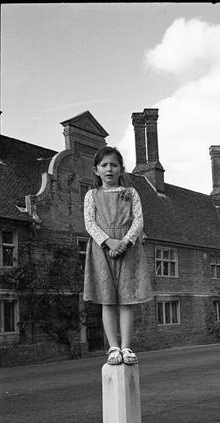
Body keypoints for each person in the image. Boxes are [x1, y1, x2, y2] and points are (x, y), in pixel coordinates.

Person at [83, 146, 153, 365]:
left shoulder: (131, 193)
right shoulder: (91, 195)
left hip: (128, 250)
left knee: (126, 302)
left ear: (121, 168)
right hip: (102, 249)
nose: (109, 169)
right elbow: (89, 223)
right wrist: (108, 241)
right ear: (96, 170)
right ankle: (113, 347)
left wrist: (125, 242)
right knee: (108, 301)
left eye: (114, 165)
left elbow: (139, 220)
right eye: (104, 165)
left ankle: (126, 348)